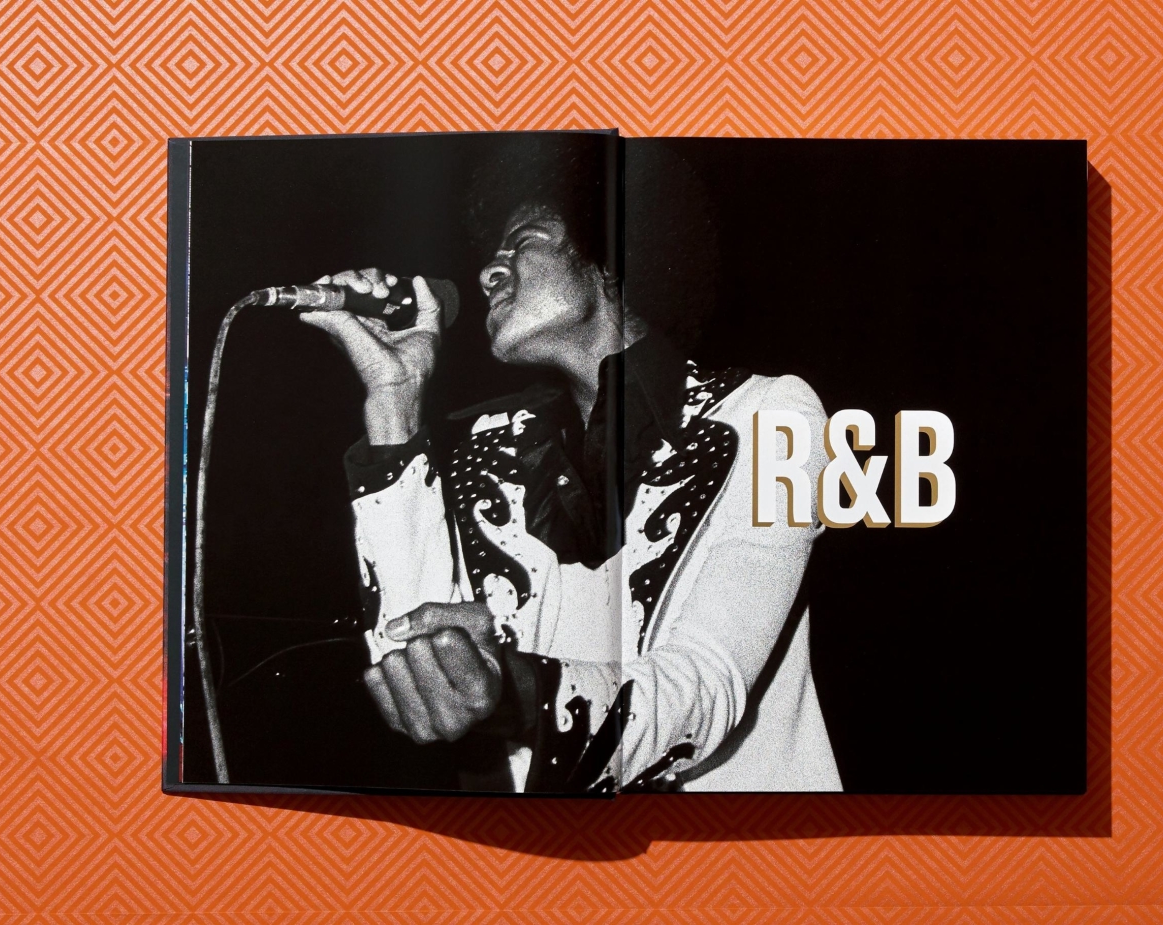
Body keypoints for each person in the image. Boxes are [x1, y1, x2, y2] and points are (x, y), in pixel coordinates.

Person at [298, 144, 841, 792]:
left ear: (612, 257)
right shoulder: (480, 448)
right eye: (491, 253)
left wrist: (513, 689)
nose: (488, 273)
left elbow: (706, 684)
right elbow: (417, 670)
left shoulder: (771, 414)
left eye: (523, 241)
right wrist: (395, 395)